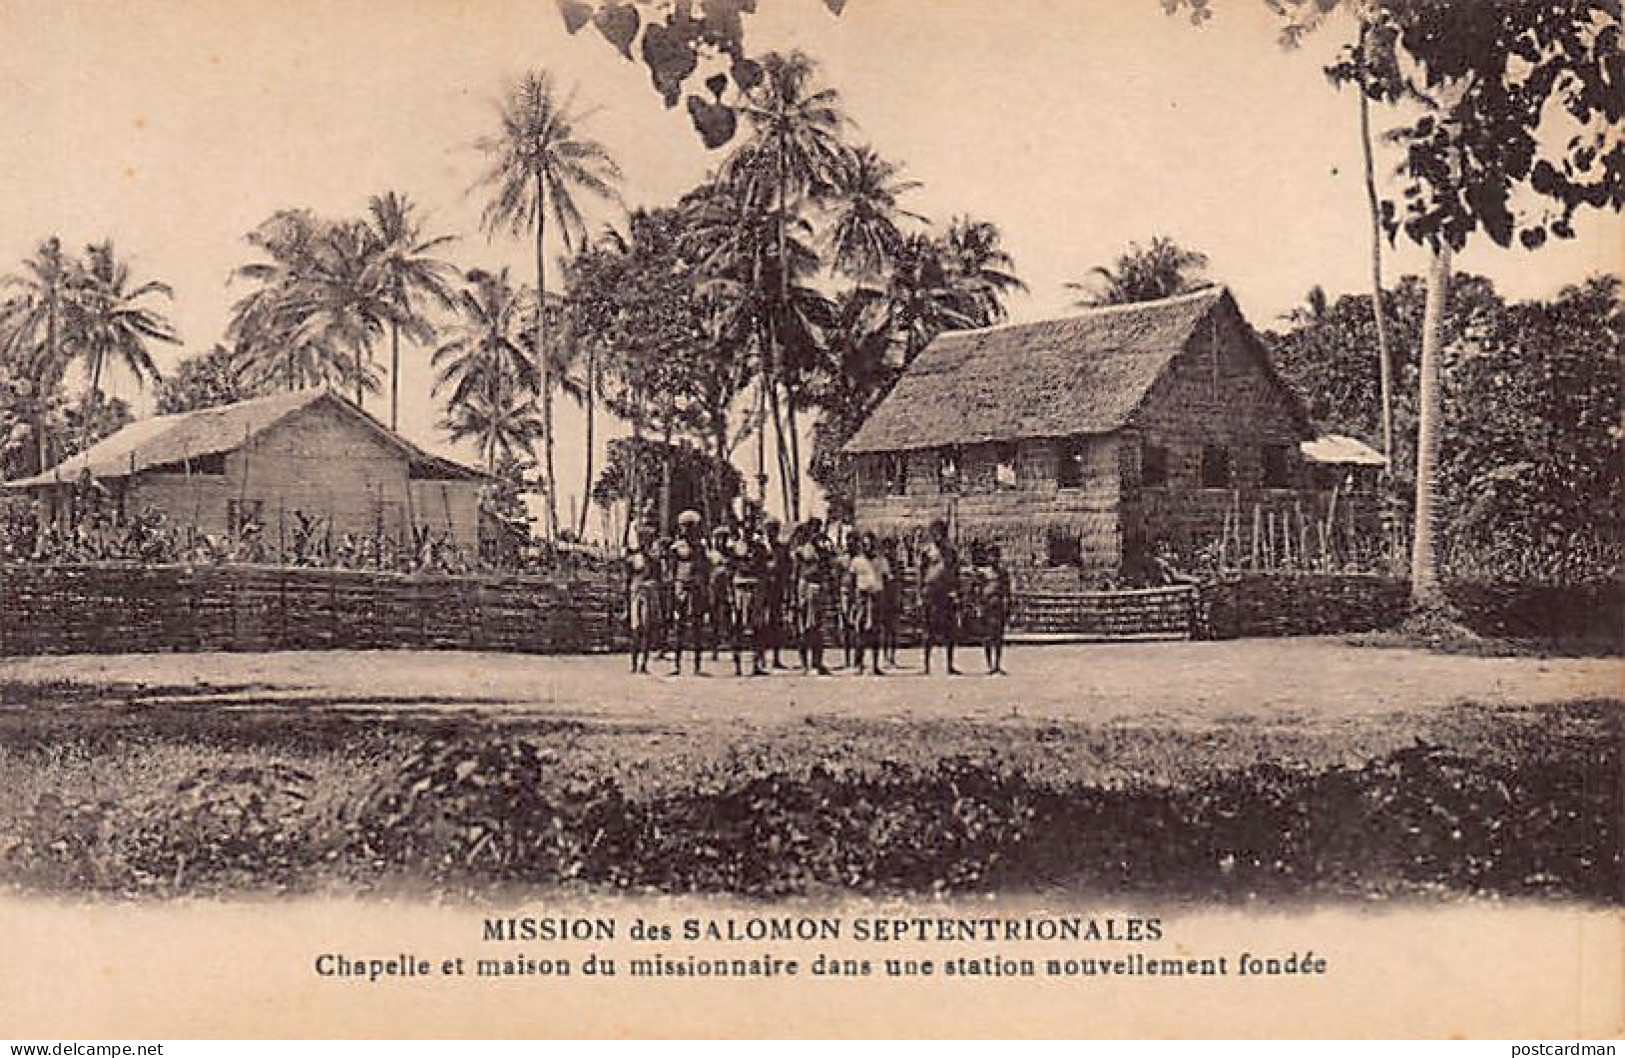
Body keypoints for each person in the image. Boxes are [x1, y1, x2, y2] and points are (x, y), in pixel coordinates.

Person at [665, 510, 710, 676]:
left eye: (691, 527)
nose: (688, 530)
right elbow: (671, 569)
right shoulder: (676, 547)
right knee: (680, 625)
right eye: (685, 526)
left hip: (696, 588)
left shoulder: (700, 547)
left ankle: (697, 666)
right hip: (681, 587)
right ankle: (677, 665)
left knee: (697, 625)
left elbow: (705, 568)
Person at [727, 516, 769, 676]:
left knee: (757, 627)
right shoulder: (734, 548)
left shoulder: (760, 549)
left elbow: (764, 570)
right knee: (737, 625)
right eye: (746, 530)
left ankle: (756, 664)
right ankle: (737, 664)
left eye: (751, 530)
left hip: (756, 587)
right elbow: (731, 569)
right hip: (739, 587)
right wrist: (730, 593)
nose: (748, 533)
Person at [919, 517, 961, 675]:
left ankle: (949, 665)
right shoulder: (926, 551)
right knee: (928, 631)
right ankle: (926, 665)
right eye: (935, 533)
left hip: (946, 593)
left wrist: (956, 591)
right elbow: (921, 572)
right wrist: (920, 592)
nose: (938, 536)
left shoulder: (951, 552)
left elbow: (955, 572)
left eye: (941, 533)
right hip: (930, 592)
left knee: (949, 630)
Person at [792, 519, 833, 675]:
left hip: (817, 588)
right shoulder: (802, 549)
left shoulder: (823, 549)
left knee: (816, 627)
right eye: (813, 529)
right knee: (803, 628)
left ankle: (817, 663)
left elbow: (827, 568)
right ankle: (805, 664)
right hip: (804, 587)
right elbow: (797, 572)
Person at [623, 525, 662, 674]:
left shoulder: (654, 557)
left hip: (649, 592)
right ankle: (634, 664)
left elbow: (658, 576)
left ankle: (643, 664)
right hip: (636, 592)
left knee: (647, 629)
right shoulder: (633, 557)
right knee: (636, 629)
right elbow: (628, 578)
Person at [973, 541, 1011, 675]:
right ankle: (989, 664)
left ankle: (997, 664)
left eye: (995, 555)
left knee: (998, 637)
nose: (993, 558)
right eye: (990, 555)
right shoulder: (983, 573)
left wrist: (1007, 604)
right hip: (986, 605)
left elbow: (1007, 590)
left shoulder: (1003, 573)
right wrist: (978, 607)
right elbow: (978, 590)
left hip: (998, 605)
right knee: (987, 637)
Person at [849, 532, 885, 675]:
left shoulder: (881, 561)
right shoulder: (856, 561)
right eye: (865, 545)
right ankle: (859, 664)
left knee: (875, 631)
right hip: (862, 597)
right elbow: (852, 581)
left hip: (876, 597)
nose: (868, 547)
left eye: (870, 544)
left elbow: (886, 579)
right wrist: (853, 601)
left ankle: (875, 665)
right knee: (860, 631)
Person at [760, 517, 792, 669]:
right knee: (760, 624)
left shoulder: (782, 549)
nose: (771, 533)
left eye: (774, 529)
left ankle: (776, 658)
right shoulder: (759, 548)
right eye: (769, 529)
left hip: (777, 590)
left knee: (776, 624)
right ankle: (760, 657)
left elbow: (787, 570)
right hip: (761, 590)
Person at [706, 524, 733, 661]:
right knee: (714, 617)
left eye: (724, 538)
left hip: (727, 588)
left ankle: (727, 641)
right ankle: (714, 647)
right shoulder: (711, 554)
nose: (721, 541)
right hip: (713, 588)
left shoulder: (731, 553)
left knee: (727, 616)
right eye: (718, 538)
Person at [876, 536, 900, 667]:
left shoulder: (895, 563)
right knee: (885, 629)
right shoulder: (881, 563)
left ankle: (891, 656)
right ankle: (886, 656)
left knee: (892, 629)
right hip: (883, 597)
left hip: (892, 598)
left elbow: (897, 582)